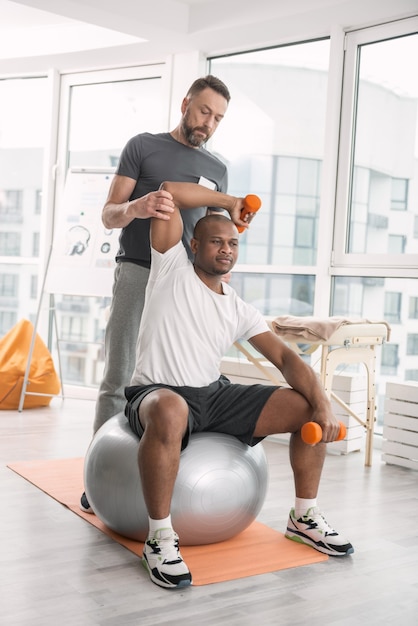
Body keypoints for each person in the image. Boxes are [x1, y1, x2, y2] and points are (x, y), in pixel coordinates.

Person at [123, 181, 354, 590]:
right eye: (215, 241)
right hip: (157, 393)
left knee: (304, 408)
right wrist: (230, 203)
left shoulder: (237, 306)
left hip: (213, 395)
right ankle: (159, 537)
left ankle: (304, 516)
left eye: (232, 243)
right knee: (172, 408)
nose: (226, 249)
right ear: (194, 246)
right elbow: (169, 193)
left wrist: (322, 406)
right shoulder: (170, 266)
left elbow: (286, 358)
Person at [80, 75, 231, 513]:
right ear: (186, 103)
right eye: (204, 111)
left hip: (185, 286)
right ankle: (99, 477)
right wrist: (138, 208)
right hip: (137, 272)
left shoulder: (218, 169)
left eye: (218, 118)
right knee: (120, 375)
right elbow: (109, 215)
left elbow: (213, 232)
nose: (209, 123)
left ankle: (167, 478)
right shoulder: (142, 146)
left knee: (183, 379)